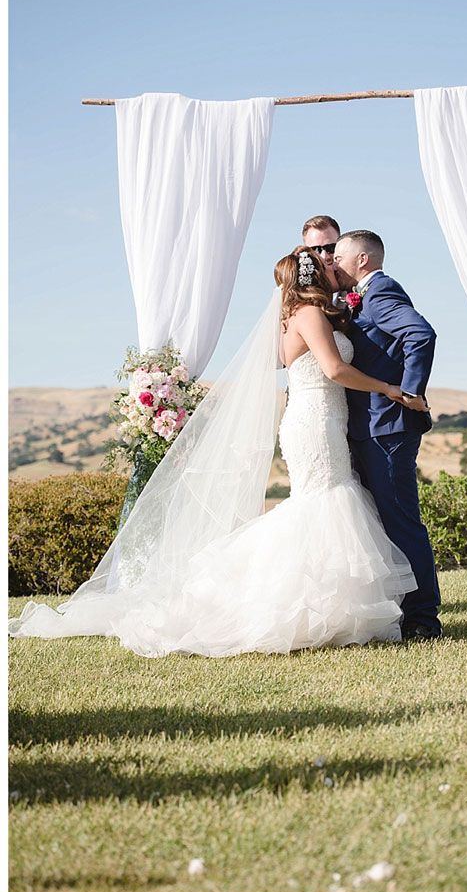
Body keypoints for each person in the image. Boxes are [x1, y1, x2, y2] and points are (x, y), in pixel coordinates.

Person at [8, 247, 419, 657]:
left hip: (324, 418)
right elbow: (333, 369)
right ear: (313, 275)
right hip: (314, 420)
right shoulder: (308, 314)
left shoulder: (303, 315)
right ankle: (299, 606)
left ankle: (331, 610)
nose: (334, 267)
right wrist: (388, 388)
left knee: (325, 501)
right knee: (321, 502)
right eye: (328, 264)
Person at [333, 230, 444, 640]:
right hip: (369, 427)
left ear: (362, 259)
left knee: (401, 522)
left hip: (388, 428)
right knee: (381, 522)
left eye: (339, 256)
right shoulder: (358, 297)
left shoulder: (379, 293)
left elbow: (421, 334)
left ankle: (423, 618)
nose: (334, 264)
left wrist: (411, 391)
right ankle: (399, 610)